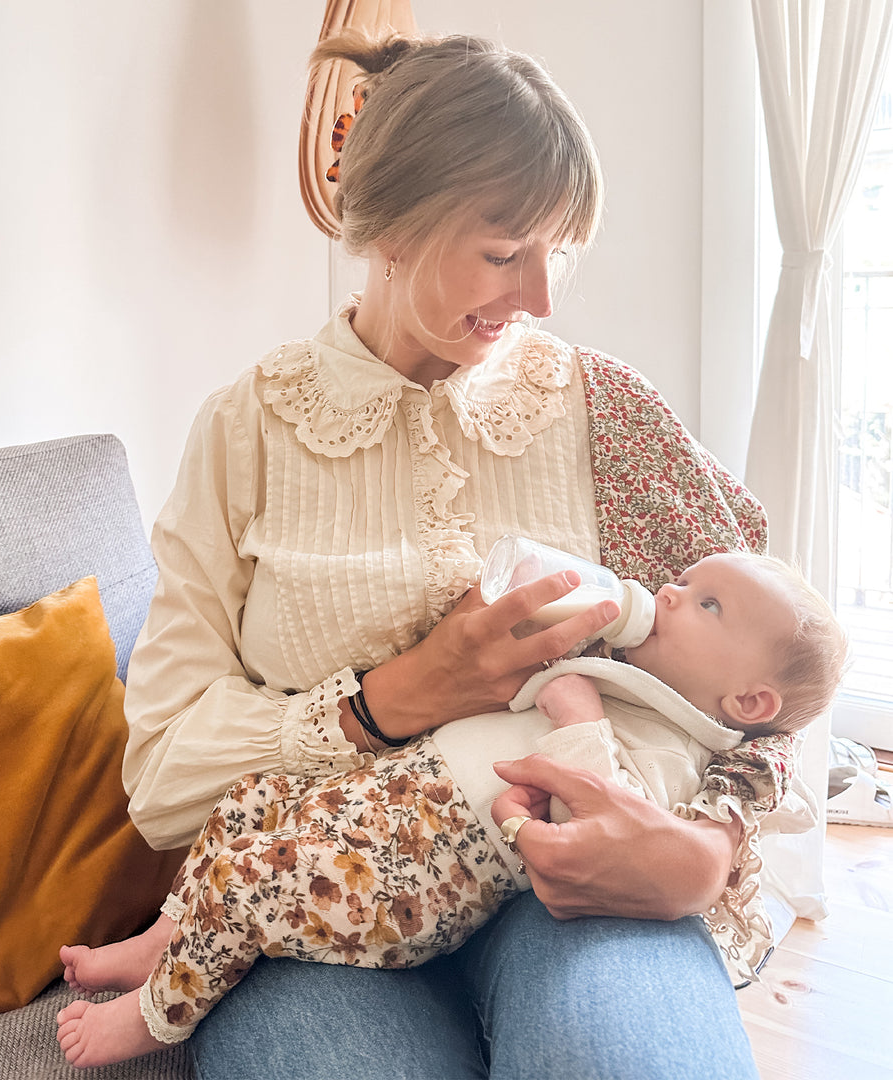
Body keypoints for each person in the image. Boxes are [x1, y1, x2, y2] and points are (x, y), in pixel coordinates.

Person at [57, 29, 807, 1079]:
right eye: (505, 253)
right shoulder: (249, 431)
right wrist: (388, 701)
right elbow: (165, 778)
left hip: (572, 891)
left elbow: (776, 669)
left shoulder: (608, 414)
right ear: (391, 230)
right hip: (318, 911)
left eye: (562, 246)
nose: (545, 297)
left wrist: (703, 854)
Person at [56, 551, 847, 1067]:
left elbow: (619, 828)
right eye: (688, 582)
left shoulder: (685, 747)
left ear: (748, 700)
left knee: (254, 883)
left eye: (705, 605)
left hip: (432, 865)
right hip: (396, 791)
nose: (669, 589)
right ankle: (165, 936)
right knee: (249, 802)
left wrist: (581, 724)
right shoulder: (630, 668)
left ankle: (154, 1019)